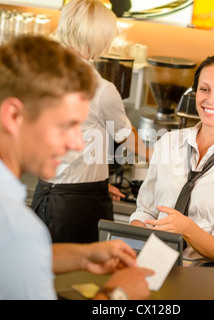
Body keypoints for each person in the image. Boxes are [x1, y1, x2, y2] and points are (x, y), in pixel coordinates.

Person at [0, 35, 152, 300]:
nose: (77, 141)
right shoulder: (12, 226)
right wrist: (117, 294)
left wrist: (82, 256)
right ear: (14, 116)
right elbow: (8, 244)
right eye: (66, 125)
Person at [31, 0, 150, 244]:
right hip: (77, 206)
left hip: (46, 194)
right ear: (100, 37)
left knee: (47, 270)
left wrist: (95, 182)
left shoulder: (40, 76)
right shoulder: (101, 89)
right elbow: (127, 139)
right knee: (86, 276)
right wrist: (162, 159)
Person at [130, 50, 214, 262]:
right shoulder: (169, 142)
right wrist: (136, 243)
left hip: (198, 280)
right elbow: (145, 211)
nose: (210, 100)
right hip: (150, 265)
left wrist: (187, 228)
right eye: (204, 89)